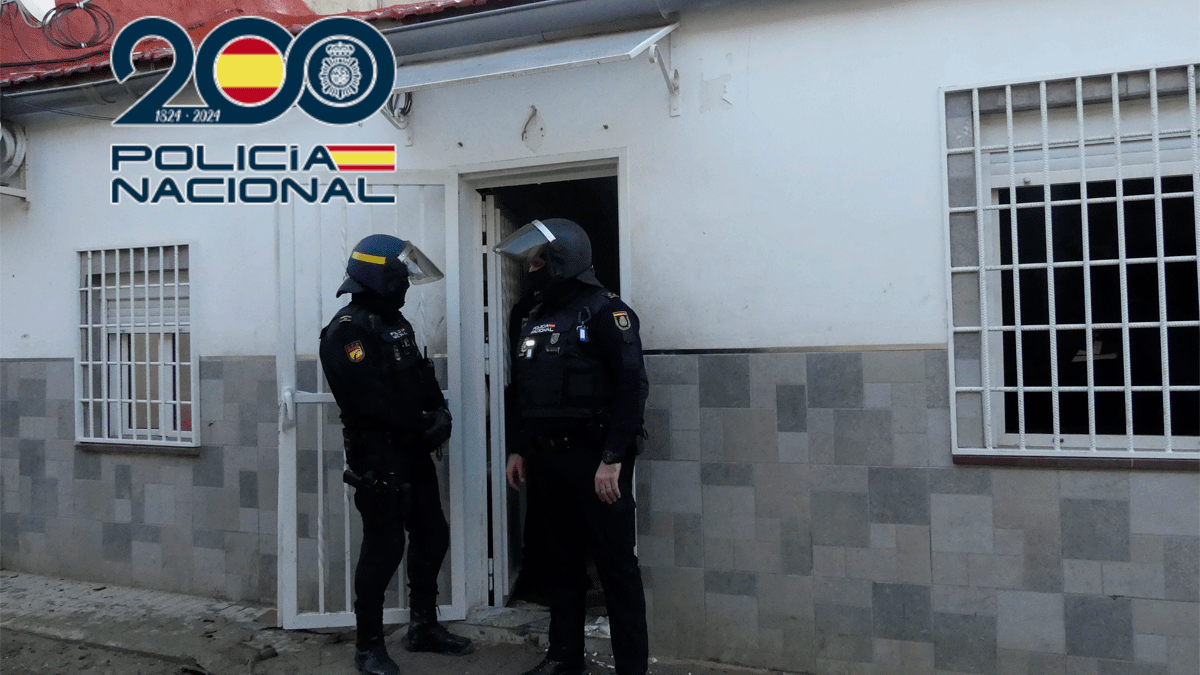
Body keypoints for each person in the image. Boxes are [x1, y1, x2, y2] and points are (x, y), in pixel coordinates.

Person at [497, 219, 649, 675]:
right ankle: (564, 656)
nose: (531, 269)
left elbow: (632, 386)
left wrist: (612, 458)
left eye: (538, 261)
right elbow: (521, 391)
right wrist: (518, 448)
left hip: (595, 459)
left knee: (616, 566)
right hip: (546, 460)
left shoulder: (607, 311)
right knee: (560, 562)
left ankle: (631, 667)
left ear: (563, 261)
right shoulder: (530, 315)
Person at [319, 234, 473, 675]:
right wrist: (424, 425)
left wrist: (440, 412)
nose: (405, 283)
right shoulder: (348, 330)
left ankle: (423, 626)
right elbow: (373, 400)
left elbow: (419, 376)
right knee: (383, 548)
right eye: (399, 275)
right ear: (377, 277)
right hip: (379, 457)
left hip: (412, 450)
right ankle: (368, 645)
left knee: (433, 535)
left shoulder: (395, 323)